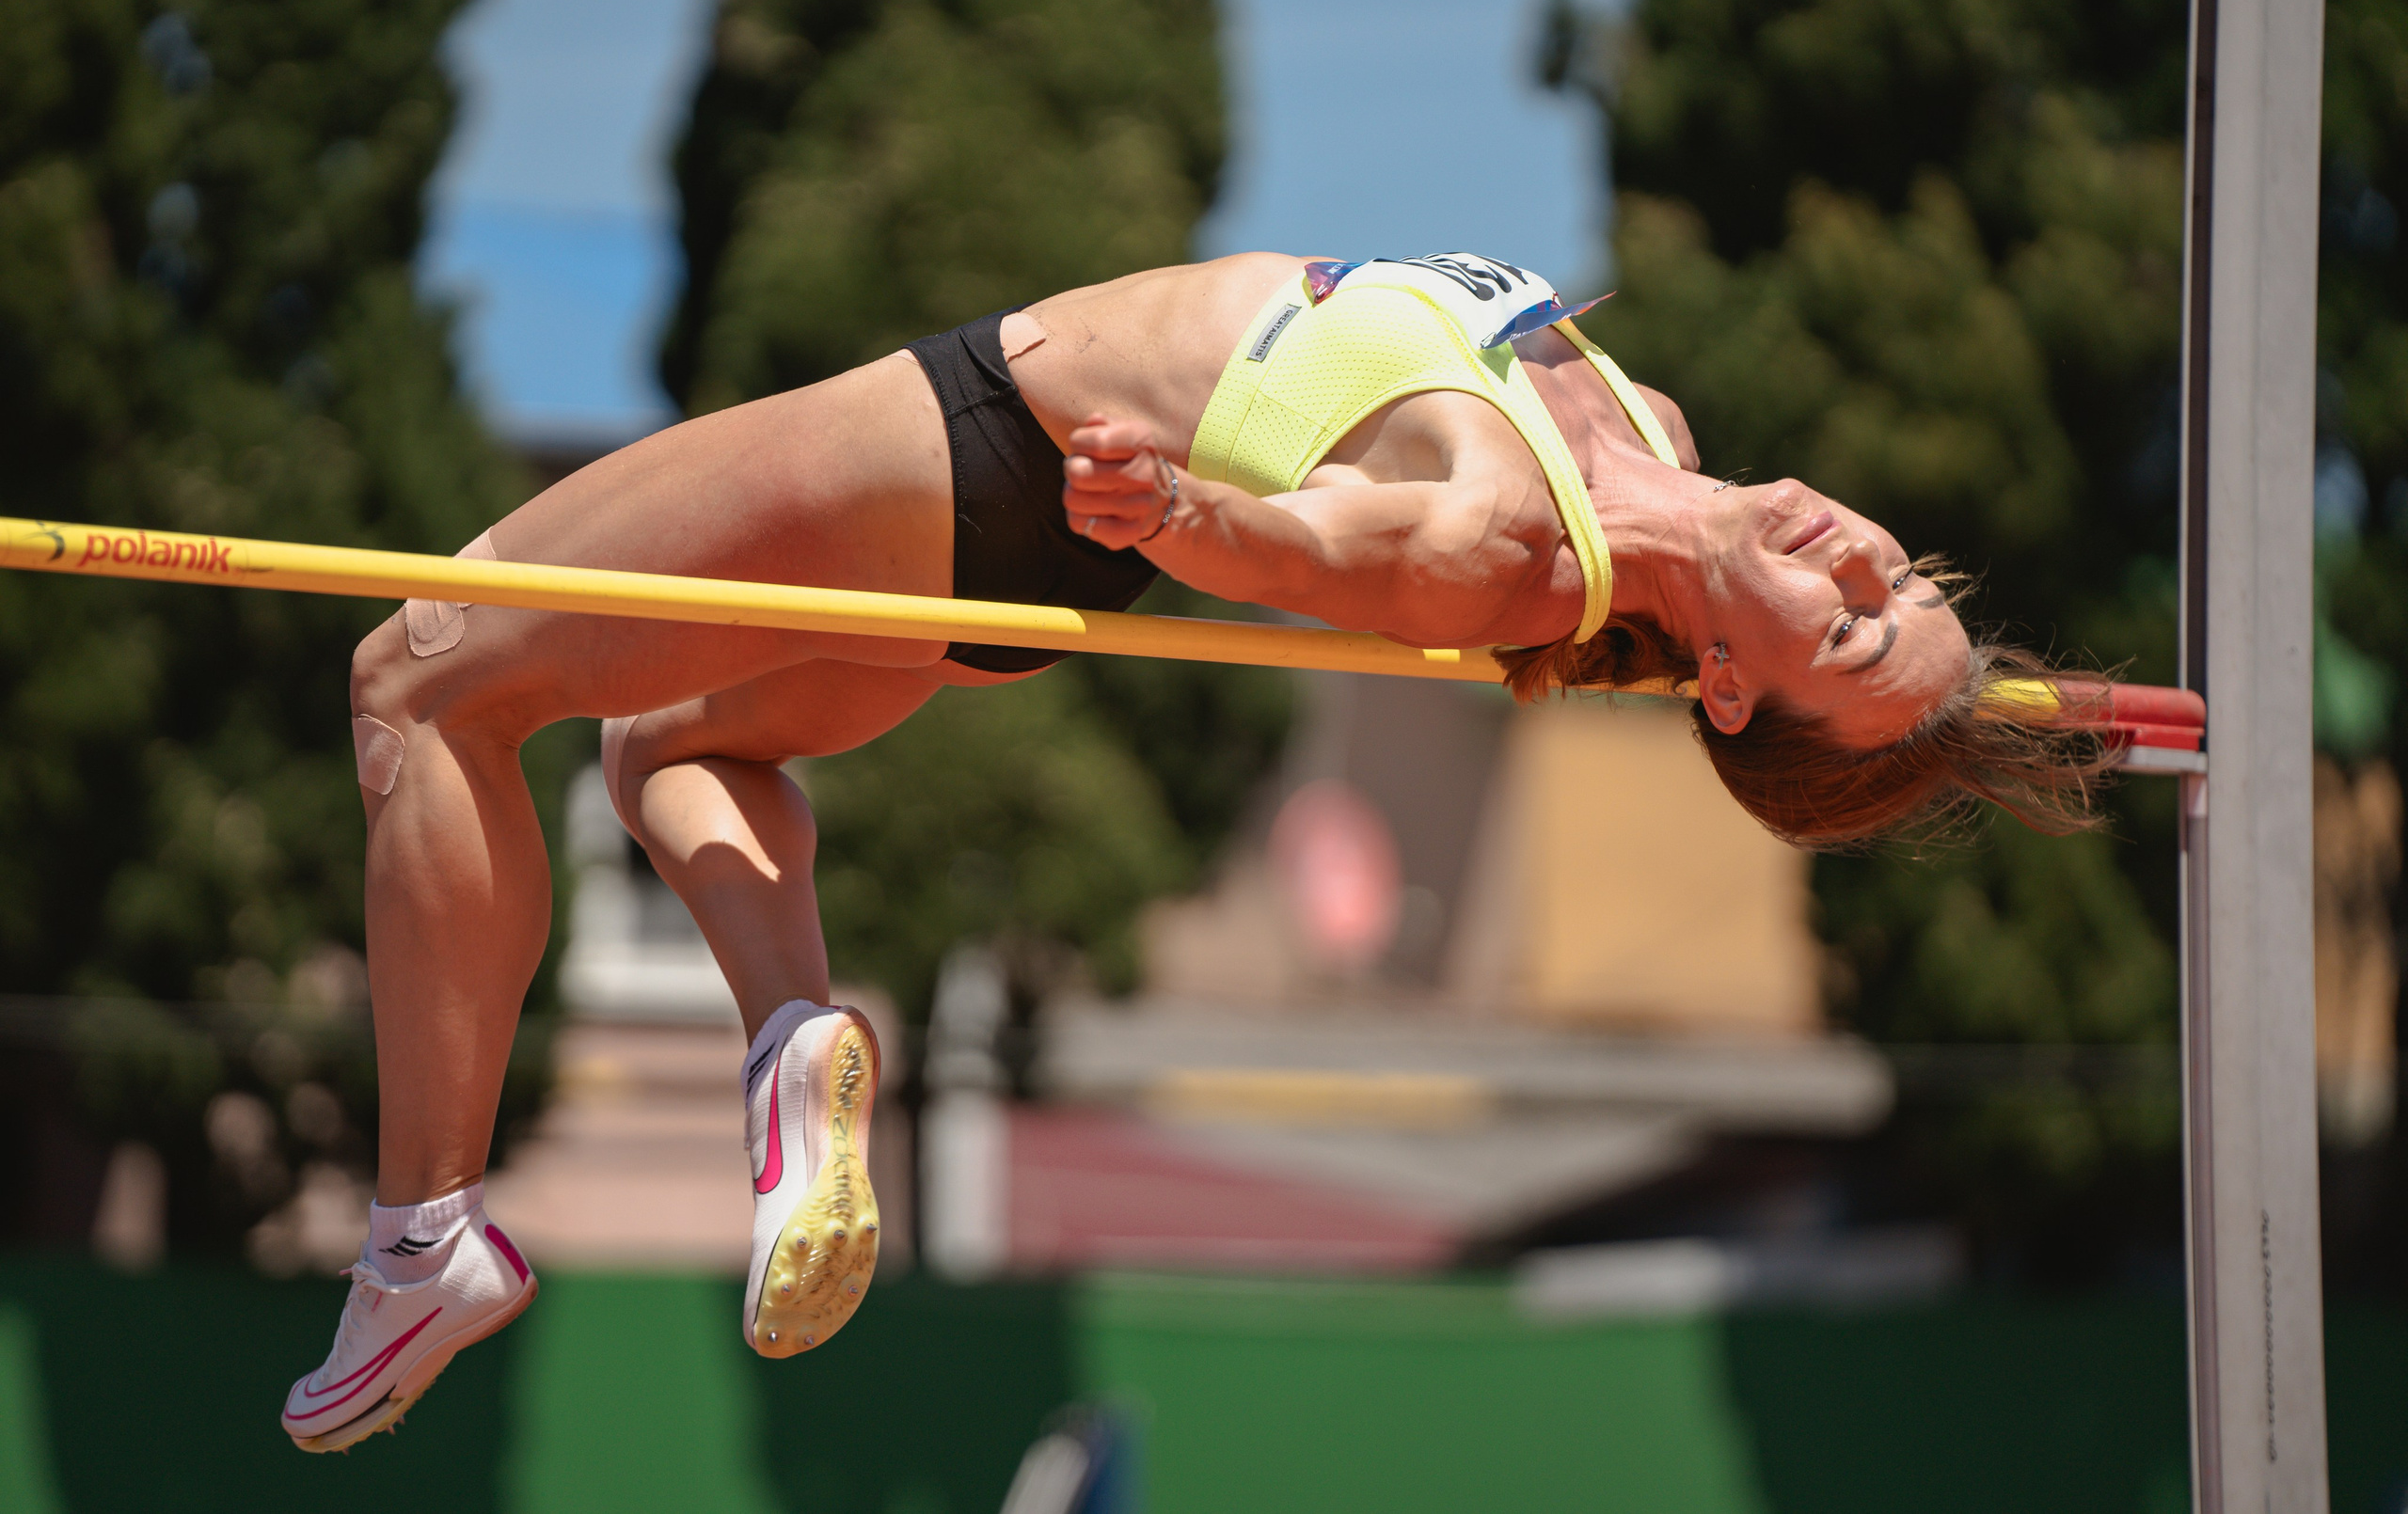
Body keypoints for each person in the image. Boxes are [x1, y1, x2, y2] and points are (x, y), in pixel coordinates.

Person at [280, 250, 2105, 1450]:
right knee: (673, 744)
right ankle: (788, 1037)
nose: (1854, 560)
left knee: (418, 679)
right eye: (1894, 578)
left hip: (990, 446)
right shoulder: (1650, 431)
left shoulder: (1509, 550)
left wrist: (1179, 511)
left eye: (1848, 629)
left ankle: (424, 1233)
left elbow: (1320, 550)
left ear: (1729, 684)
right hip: (1011, 518)